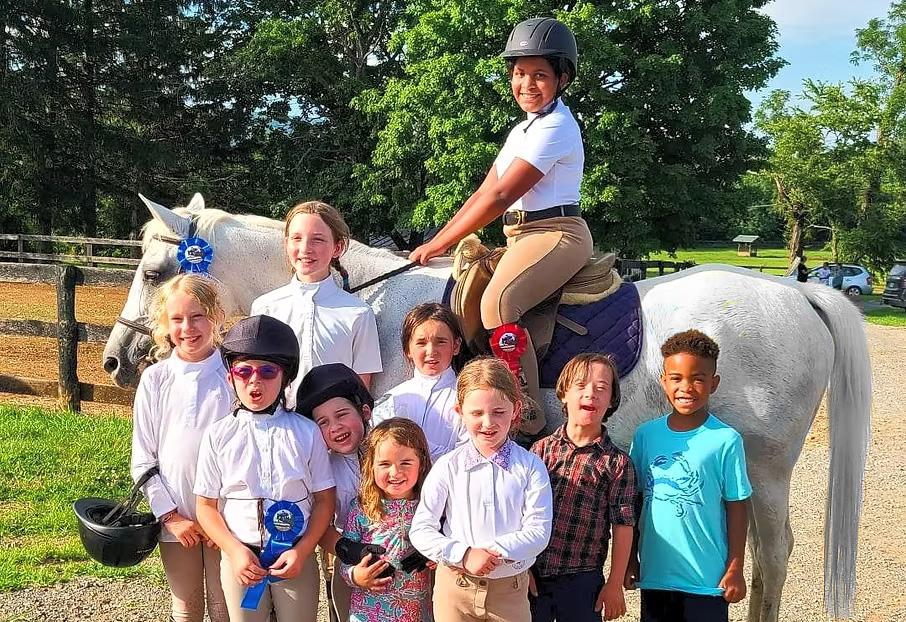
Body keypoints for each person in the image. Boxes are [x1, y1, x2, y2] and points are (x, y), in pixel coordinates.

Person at [408, 17, 593, 438]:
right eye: (519, 73)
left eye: (540, 75)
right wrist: (435, 241)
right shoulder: (521, 130)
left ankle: (527, 417)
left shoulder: (557, 127)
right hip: (521, 235)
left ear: (562, 78)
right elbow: (482, 193)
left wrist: (440, 243)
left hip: (558, 232)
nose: (527, 83)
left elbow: (500, 198)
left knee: (499, 303)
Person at [195, 315, 336, 622]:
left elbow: (325, 500)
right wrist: (233, 550)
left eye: (268, 372)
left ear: (285, 377)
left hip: (294, 556)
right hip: (241, 560)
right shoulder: (218, 435)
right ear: (231, 376)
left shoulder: (306, 432)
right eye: (243, 371)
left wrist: (303, 550)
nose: (255, 382)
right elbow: (205, 506)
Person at [410, 357, 553, 622]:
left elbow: (539, 531)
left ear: (516, 409)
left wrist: (493, 552)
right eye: (476, 413)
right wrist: (464, 554)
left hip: (509, 593)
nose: (488, 423)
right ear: (459, 411)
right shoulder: (448, 467)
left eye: (499, 412)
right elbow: (421, 528)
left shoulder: (531, 467)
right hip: (455, 591)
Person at [625, 330, 751, 622]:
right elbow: (634, 502)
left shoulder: (726, 440)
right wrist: (630, 559)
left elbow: (737, 507)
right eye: (677, 378)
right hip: (656, 578)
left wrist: (735, 567)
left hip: (706, 583)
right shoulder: (645, 436)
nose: (687, 387)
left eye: (698, 378)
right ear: (663, 381)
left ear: (714, 383)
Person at [131, 273, 232, 622]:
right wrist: (170, 517)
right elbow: (143, 457)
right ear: (164, 325)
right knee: (186, 607)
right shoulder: (155, 380)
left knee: (225, 608)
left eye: (197, 316)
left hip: (226, 520)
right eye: (177, 319)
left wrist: (224, 519)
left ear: (216, 316)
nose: (188, 327)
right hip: (177, 522)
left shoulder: (233, 377)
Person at [530, 353, 637, 622]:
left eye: (602, 388)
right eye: (580, 385)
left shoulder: (617, 463)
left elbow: (623, 525)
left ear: (612, 399)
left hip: (583, 579)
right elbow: (520, 512)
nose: (591, 393)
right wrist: (523, 568)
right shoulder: (540, 451)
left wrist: (614, 584)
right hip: (535, 574)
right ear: (563, 393)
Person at [251, 200, 382, 407]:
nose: (305, 249)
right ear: (286, 245)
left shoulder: (358, 313)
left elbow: (361, 387)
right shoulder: (265, 308)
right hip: (279, 426)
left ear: (337, 247)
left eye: (317, 240)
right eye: (297, 238)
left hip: (332, 431)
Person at [296, 363, 375, 622]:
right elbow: (320, 524)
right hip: (350, 561)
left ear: (364, 411)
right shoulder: (322, 468)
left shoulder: (392, 450)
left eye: (342, 415)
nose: (335, 427)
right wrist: (350, 551)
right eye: (323, 422)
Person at [340, 418, 435, 622]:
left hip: (416, 612)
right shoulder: (361, 508)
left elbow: (444, 548)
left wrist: (435, 557)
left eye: (406, 463)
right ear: (371, 466)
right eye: (384, 464)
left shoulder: (430, 507)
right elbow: (344, 558)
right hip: (368, 613)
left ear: (422, 463)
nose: (395, 472)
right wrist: (356, 575)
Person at [372, 303, 469, 462]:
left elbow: (468, 456)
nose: (431, 351)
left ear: (456, 345)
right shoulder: (391, 401)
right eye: (421, 343)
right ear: (408, 349)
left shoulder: (469, 398)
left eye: (440, 341)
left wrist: (410, 447)